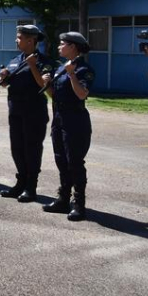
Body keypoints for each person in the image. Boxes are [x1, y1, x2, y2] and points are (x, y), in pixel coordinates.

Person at [43, 32, 95, 221]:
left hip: (75, 121)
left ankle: (79, 204)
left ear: (73, 46)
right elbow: (54, 96)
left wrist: (72, 73)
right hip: (59, 119)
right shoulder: (60, 68)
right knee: (61, 160)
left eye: (62, 43)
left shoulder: (83, 69)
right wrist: (47, 84)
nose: (59, 47)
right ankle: (63, 199)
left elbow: (82, 94)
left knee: (74, 162)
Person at [0, 25, 53, 202]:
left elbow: (43, 86)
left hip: (34, 112)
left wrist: (33, 67)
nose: (16, 40)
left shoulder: (42, 61)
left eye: (19, 37)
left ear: (31, 40)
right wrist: (4, 75)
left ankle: (31, 186)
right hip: (15, 110)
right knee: (17, 148)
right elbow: (6, 84)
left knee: (32, 149)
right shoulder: (15, 60)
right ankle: (20, 182)